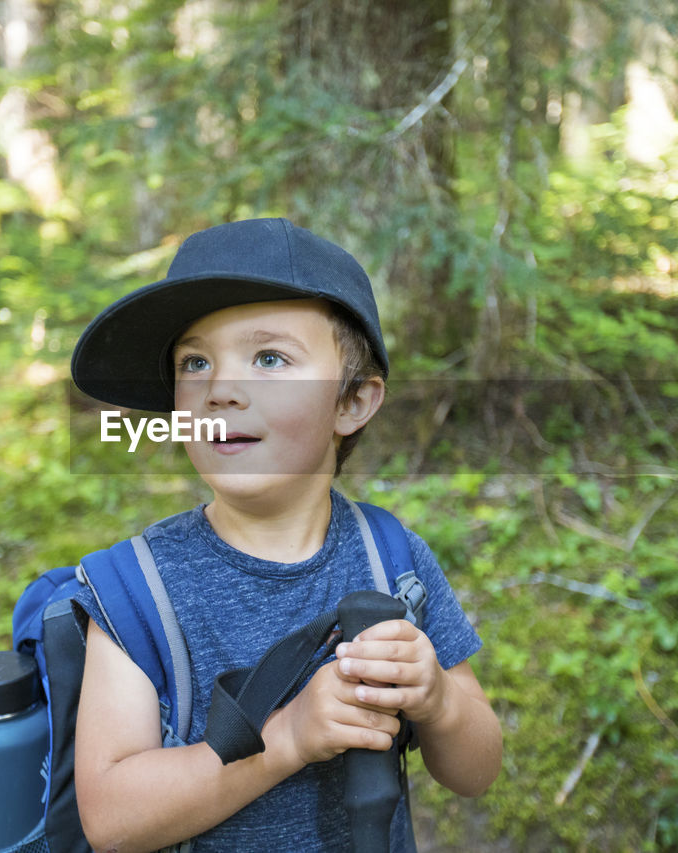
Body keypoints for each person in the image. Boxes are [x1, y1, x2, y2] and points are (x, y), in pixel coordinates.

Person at [70, 218, 502, 852]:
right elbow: (110, 819)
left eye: (269, 358)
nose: (220, 391)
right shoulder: (136, 590)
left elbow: (477, 771)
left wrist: (438, 700)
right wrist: (288, 739)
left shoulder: (393, 561)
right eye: (195, 362)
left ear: (352, 402)